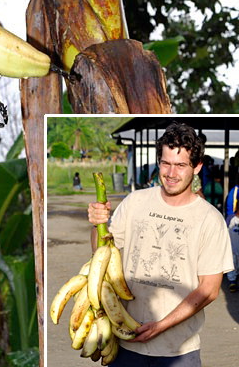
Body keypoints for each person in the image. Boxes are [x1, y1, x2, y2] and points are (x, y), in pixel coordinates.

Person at [88, 121, 233, 367]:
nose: (171, 173)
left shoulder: (210, 219)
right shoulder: (135, 201)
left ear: (196, 167)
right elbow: (101, 251)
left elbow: (209, 289)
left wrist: (161, 326)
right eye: (165, 163)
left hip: (179, 351)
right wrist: (97, 223)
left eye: (180, 165)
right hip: (126, 344)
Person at [226, 179, 239, 293]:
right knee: (233, 261)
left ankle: (233, 280)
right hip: (232, 244)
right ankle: (232, 281)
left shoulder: (234, 191)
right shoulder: (235, 191)